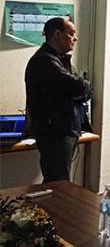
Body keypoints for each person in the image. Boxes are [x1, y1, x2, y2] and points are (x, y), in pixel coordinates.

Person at [24, 17, 92, 183]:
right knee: (58, 183)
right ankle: (53, 210)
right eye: (71, 34)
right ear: (57, 34)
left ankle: (54, 209)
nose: (75, 38)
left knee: (58, 181)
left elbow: (82, 89)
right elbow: (80, 87)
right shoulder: (44, 61)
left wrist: (81, 87)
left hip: (63, 131)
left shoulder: (59, 60)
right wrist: (81, 87)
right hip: (54, 134)